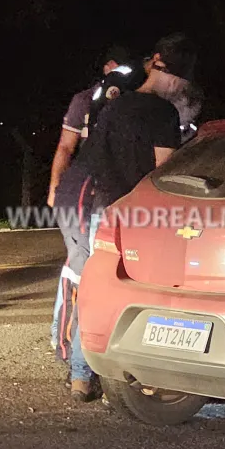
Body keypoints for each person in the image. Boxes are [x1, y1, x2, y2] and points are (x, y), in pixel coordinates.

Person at [61, 31, 200, 401]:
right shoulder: (162, 113)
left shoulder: (118, 103)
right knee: (125, 289)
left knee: (91, 285)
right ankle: (115, 380)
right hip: (112, 207)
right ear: (174, 77)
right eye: (183, 84)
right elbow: (164, 174)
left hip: (82, 198)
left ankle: (80, 375)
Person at [47, 45, 136, 353]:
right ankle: (69, 344)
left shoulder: (135, 103)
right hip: (83, 190)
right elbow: (65, 147)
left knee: (83, 262)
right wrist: (54, 188)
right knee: (79, 262)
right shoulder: (85, 101)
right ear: (107, 66)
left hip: (110, 192)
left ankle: (72, 341)